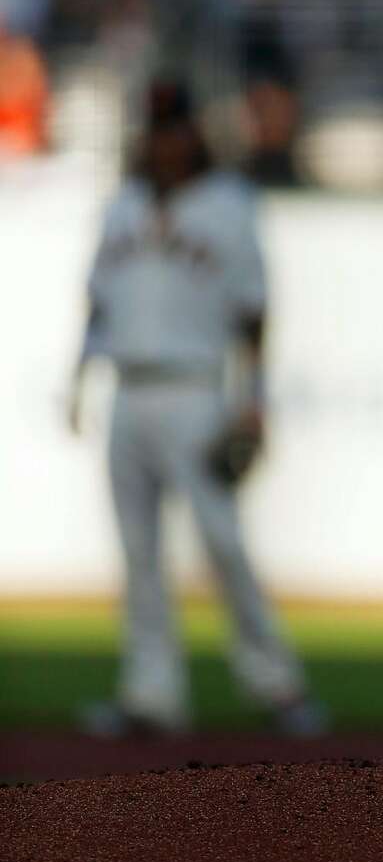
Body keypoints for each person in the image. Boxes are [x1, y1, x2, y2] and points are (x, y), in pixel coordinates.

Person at [66, 78, 324, 737]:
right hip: (128, 390)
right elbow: (97, 302)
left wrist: (254, 401)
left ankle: (279, 685)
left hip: (194, 389)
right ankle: (151, 694)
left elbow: (254, 312)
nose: (164, 142)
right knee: (138, 552)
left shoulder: (227, 205)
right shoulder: (122, 205)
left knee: (222, 542)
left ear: (193, 134)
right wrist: (78, 378)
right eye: (155, 130)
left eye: (173, 128)